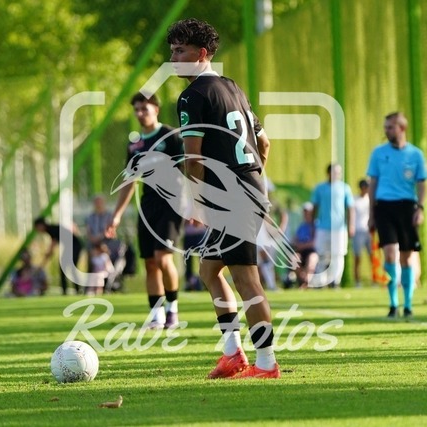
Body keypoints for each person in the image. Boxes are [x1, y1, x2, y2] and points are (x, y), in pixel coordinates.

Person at [169, 18, 280, 378]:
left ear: (201, 53)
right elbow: (264, 143)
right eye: (172, 51)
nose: (173, 58)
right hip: (246, 191)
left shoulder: (193, 96)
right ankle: (233, 354)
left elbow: (193, 158)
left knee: (246, 279)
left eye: (180, 51)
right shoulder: (232, 87)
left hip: (231, 198)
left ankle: (267, 363)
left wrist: (198, 200)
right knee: (209, 270)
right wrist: (253, 180)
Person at [106, 92, 184, 329]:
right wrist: (117, 215)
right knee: (150, 262)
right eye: (137, 110)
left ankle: (172, 310)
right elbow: (129, 181)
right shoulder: (135, 145)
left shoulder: (171, 137)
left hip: (171, 204)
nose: (140, 114)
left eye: (145, 109)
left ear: (156, 110)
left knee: (163, 258)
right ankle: (156, 315)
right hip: (148, 205)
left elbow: (188, 171)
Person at [367, 112, 427, 318]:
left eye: (390, 127)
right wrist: (371, 213)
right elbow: (373, 184)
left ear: (402, 128)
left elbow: (422, 184)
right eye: (385, 127)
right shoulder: (378, 153)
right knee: (390, 254)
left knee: (407, 257)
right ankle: (393, 304)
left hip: (407, 207)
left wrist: (420, 208)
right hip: (384, 207)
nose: (386, 131)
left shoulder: (416, 154)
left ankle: (408, 304)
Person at [310, 164, 355, 288]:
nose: (337, 175)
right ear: (328, 173)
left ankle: (335, 281)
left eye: (339, 172)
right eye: (335, 172)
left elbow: (350, 208)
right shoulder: (320, 188)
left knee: (338, 255)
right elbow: (315, 207)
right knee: (321, 254)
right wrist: (312, 224)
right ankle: (321, 280)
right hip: (322, 227)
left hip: (339, 228)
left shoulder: (345, 188)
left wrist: (351, 225)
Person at [34, 217, 84, 295]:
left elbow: (52, 245)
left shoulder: (52, 229)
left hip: (74, 246)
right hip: (69, 247)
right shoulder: (52, 229)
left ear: (41, 225)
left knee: (71, 268)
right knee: (63, 268)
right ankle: (65, 291)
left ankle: (77, 290)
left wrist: (46, 258)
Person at [293, 202, 319, 288]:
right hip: (301, 252)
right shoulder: (301, 226)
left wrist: (302, 245)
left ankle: (307, 283)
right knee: (294, 259)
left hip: (313, 251)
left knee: (312, 260)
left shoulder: (316, 225)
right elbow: (296, 240)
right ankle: (303, 281)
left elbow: (315, 242)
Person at [353, 178, 373, 288]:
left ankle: (374, 280)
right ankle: (357, 281)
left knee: (372, 256)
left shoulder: (370, 199)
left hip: (368, 231)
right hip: (358, 231)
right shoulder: (355, 199)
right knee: (358, 257)